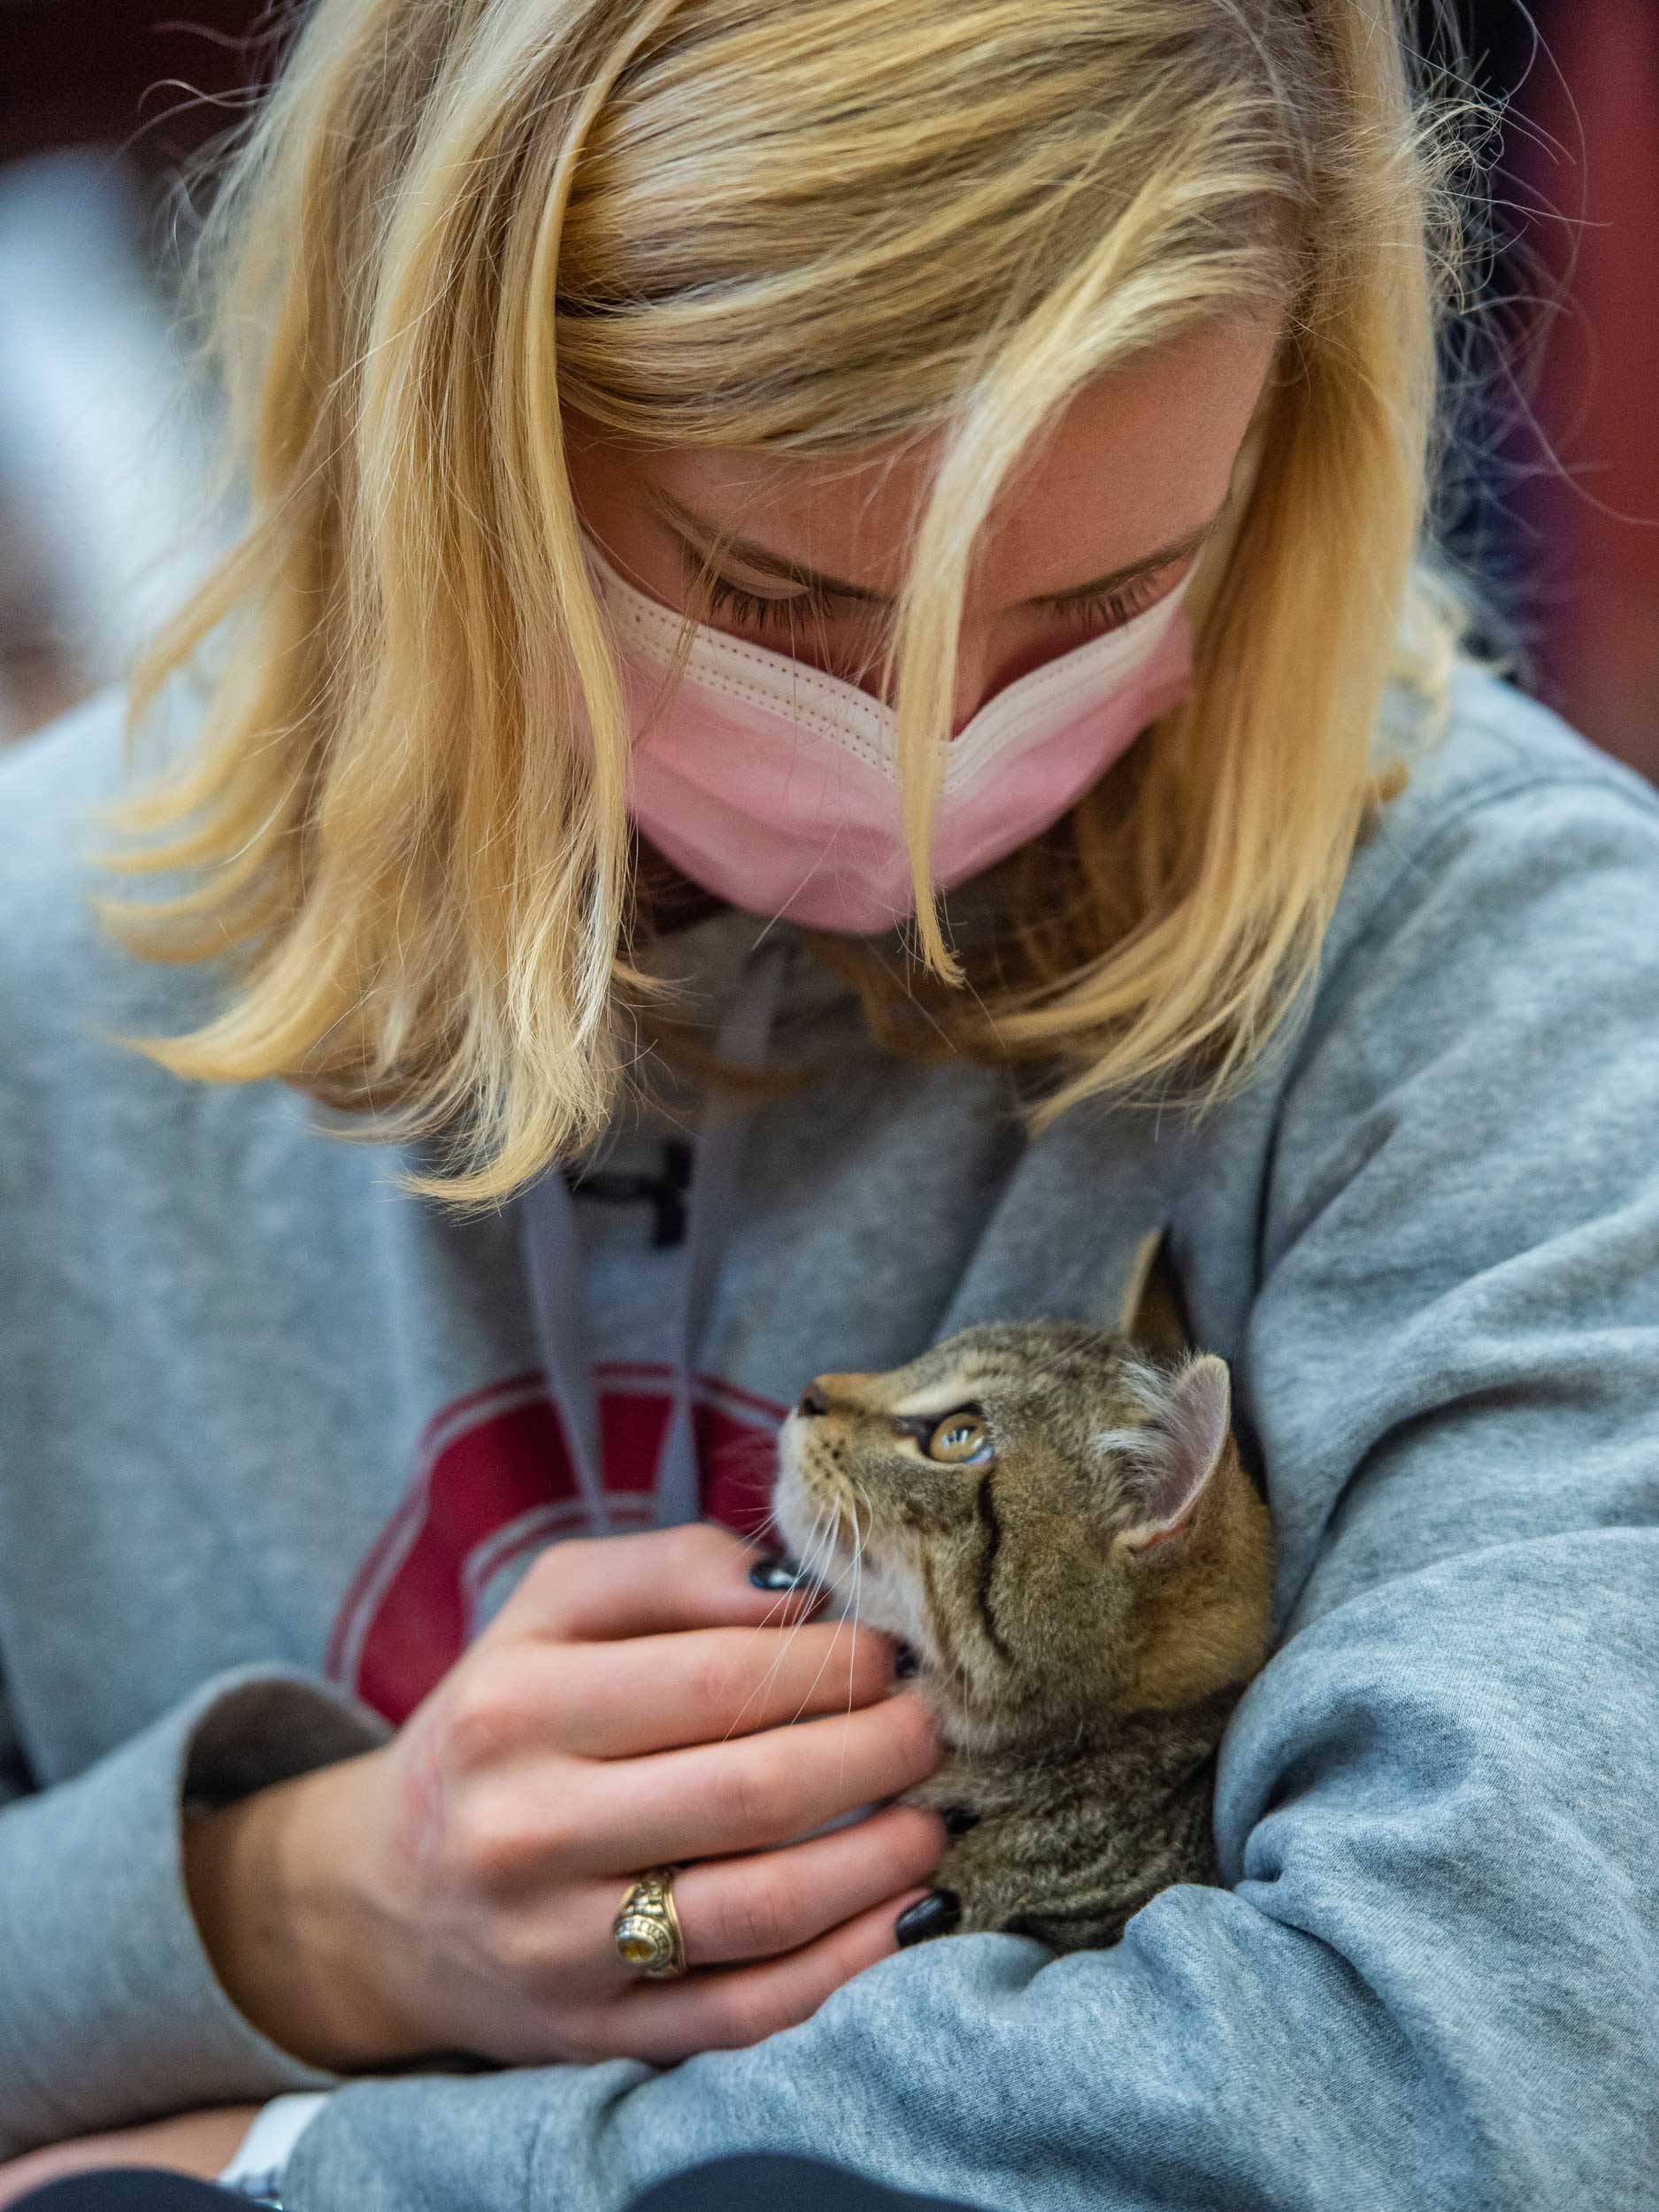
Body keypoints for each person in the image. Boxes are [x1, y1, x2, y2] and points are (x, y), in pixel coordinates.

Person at [2, 2, 1657, 2208]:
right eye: (780, 602)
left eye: (1095, 600)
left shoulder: (1501, 983)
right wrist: (292, 1901)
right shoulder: (58, 950)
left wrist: (308, 2160)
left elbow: (1492, 2078)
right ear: (450, 429)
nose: (926, 761)